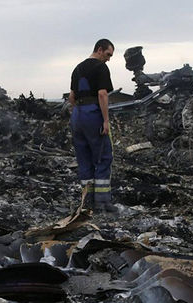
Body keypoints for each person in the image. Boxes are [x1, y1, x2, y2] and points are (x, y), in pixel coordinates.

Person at [69, 39, 118, 213]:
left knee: (84, 158)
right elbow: (102, 94)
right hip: (92, 113)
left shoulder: (77, 68)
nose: (109, 59)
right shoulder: (100, 67)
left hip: (77, 115)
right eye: (108, 55)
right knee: (104, 156)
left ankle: (87, 202)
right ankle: (102, 204)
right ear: (99, 50)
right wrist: (105, 120)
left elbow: (71, 97)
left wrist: (77, 115)